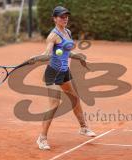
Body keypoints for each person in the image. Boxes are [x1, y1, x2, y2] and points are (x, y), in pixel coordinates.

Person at [29, 6, 96, 150]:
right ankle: (42, 138)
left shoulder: (67, 32)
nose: (65, 19)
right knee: (54, 104)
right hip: (53, 73)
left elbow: (67, 53)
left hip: (64, 72)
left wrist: (80, 57)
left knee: (74, 99)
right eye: (61, 16)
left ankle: (83, 128)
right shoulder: (52, 36)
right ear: (54, 19)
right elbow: (47, 54)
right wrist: (36, 58)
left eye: (66, 16)